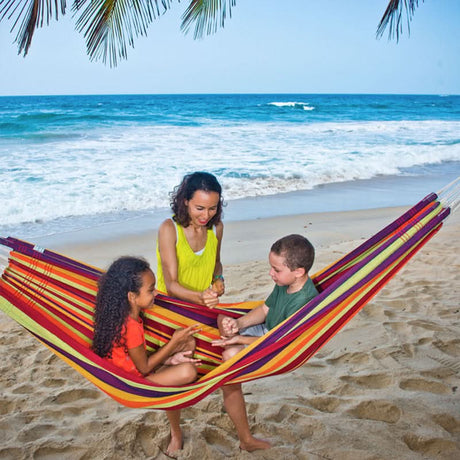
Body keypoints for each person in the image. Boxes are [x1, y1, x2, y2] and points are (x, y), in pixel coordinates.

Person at [212, 234, 319, 451]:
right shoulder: (285, 282)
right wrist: (238, 324)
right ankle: (228, 359)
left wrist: (239, 338)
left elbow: (275, 343)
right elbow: (264, 309)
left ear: (298, 271)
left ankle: (228, 383)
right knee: (221, 319)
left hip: (273, 347)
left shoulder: (304, 301)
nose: (271, 273)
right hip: (262, 332)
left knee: (229, 357)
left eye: (276, 270)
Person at [92, 256, 201, 457]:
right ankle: (175, 425)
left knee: (189, 343)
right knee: (188, 370)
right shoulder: (130, 326)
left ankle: (171, 382)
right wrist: (173, 343)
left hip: (135, 368)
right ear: (132, 297)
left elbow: (133, 357)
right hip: (135, 382)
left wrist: (170, 357)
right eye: (151, 290)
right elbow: (142, 368)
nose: (155, 294)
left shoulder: (123, 316)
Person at [156, 171, 225, 308]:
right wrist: (200, 297)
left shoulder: (216, 228)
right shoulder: (169, 229)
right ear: (185, 201)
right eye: (200, 208)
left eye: (212, 208)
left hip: (201, 306)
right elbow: (171, 285)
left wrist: (218, 279)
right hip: (171, 307)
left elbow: (216, 263)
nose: (206, 215)